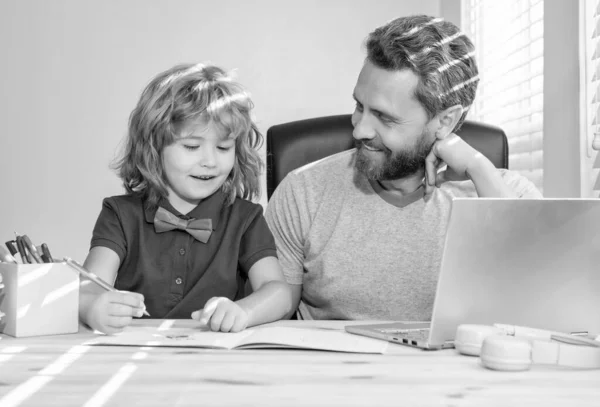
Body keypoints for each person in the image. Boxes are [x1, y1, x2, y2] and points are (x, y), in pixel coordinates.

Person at [265, 15, 542, 321]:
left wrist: (479, 169)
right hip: (336, 368)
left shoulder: (504, 193)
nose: (360, 131)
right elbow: (274, 316)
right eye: (359, 107)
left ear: (444, 121)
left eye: (385, 118)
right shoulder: (302, 193)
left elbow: (543, 296)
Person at [79, 63, 293, 334]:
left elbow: (280, 293)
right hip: (132, 354)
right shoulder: (119, 215)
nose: (210, 161)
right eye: (192, 146)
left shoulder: (245, 218)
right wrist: (92, 307)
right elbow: (86, 288)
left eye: (223, 147)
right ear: (153, 148)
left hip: (214, 357)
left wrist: (243, 311)